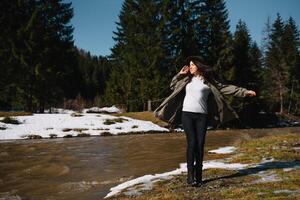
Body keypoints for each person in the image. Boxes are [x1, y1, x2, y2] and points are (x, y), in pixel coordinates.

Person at [154, 56, 256, 187]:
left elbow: (227, 88)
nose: (189, 67)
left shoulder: (210, 82)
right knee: (192, 143)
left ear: (198, 66)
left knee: (200, 144)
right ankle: (190, 177)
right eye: (189, 65)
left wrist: (245, 92)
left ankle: (199, 176)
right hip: (187, 115)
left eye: (192, 65)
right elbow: (173, 85)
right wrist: (179, 74)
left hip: (202, 116)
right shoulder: (186, 79)